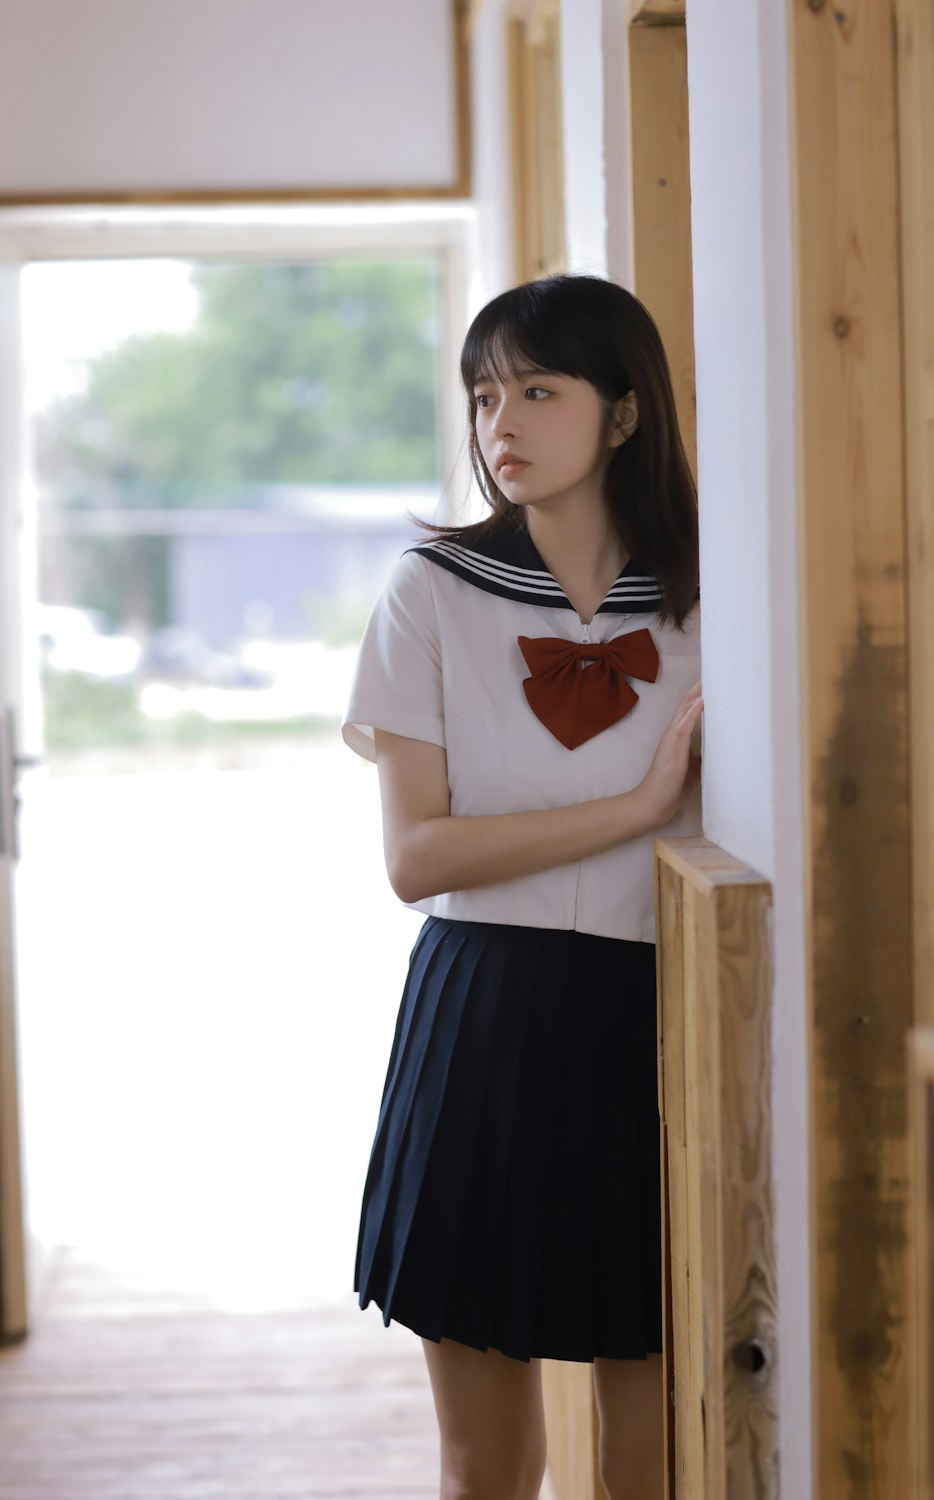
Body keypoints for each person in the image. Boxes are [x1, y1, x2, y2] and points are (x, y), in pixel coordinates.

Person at [341, 274, 703, 1500]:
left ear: (622, 413)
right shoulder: (430, 590)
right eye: (485, 393)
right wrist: (636, 812)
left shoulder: (717, 598)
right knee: (486, 1460)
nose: (501, 421)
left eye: (539, 390)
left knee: (652, 1460)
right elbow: (415, 859)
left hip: (663, 1023)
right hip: (484, 1015)